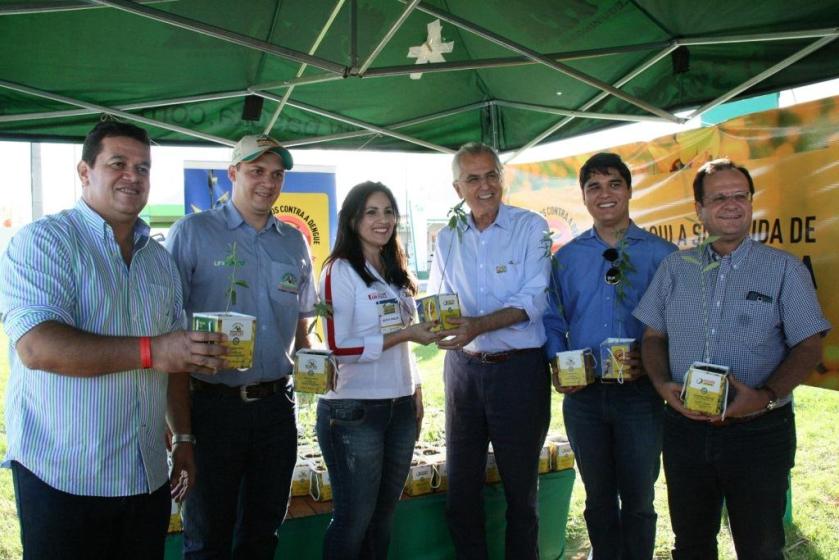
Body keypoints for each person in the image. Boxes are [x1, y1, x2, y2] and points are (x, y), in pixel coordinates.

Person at [0, 120, 227, 560]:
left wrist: (183, 438)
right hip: (64, 476)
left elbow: (173, 361)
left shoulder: (159, 261)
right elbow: (36, 347)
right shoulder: (45, 242)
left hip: (144, 477)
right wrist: (154, 350)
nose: (133, 176)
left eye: (142, 168)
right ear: (85, 172)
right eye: (118, 164)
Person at [634, 158, 830, 559]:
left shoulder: (784, 270)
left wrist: (766, 395)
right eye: (719, 197)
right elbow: (652, 336)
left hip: (758, 432)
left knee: (760, 547)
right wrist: (660, 385)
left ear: (752, 202)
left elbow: (809, 345)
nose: (731, 204)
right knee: (691, 544)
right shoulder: (675, 268)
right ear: (699, 209)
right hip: (685, 429)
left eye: (740, 195)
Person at [166, 134, 316, 559]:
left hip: (275, 409)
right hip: (212, 408)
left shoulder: (292, 241)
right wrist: (179, 429)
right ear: (232, 174)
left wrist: (313, 360)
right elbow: (167, 326)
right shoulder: (192, 234)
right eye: (256, 172)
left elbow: (302, 325)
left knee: (262, 531)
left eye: (277, 174)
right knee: (207, 537)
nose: (267, 183)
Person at [543, 152, 677, 559]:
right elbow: (552, 318)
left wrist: (655, 361)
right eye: (594, 186)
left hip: (640, 396)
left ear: (629, 191)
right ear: (583, 197)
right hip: (583, 397)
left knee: (638, 501)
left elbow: (678, 324)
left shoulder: (662, 255)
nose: (605, 194)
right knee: (597, 500)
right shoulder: (566, 258)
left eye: (614, 184)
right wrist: (557, 362)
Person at [428, 142, 551, 559]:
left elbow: (534, 299)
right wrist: (428, 327)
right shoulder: (448, 236)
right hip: (462, 371)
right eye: (473, 178)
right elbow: (438, 298)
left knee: (521, 493)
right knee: (462, 491)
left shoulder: (531, 227)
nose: (485, 186)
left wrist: (478, 324)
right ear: (456, 187)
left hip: (519, 373)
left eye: (491, 175)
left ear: (503, 177)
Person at [316, 181, 439, 559]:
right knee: (354, 519)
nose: (382, 220)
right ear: (353, 220)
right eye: (371, 212)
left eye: (388, 212)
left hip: (400, 406)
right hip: (354, 411)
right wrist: (405, 334)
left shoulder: (394, 271)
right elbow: (338, 347)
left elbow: (406, 342)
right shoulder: (339, 271)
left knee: (384, 516)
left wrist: (415, 388)